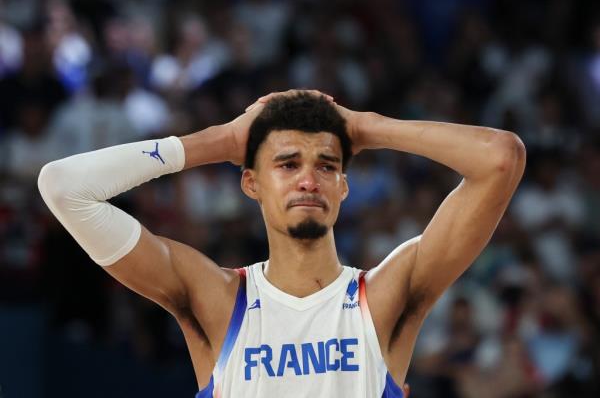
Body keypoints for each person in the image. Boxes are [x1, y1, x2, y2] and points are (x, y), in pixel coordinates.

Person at [37, 90, 525, 397]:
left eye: (327, 166)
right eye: (288, 164)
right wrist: (221, 141)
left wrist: (363, 128)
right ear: (251, 183)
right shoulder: (217, 301)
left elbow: (501, 158)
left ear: (343, 188)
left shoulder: (384, 297)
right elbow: (63, 187)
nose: (309, 180)